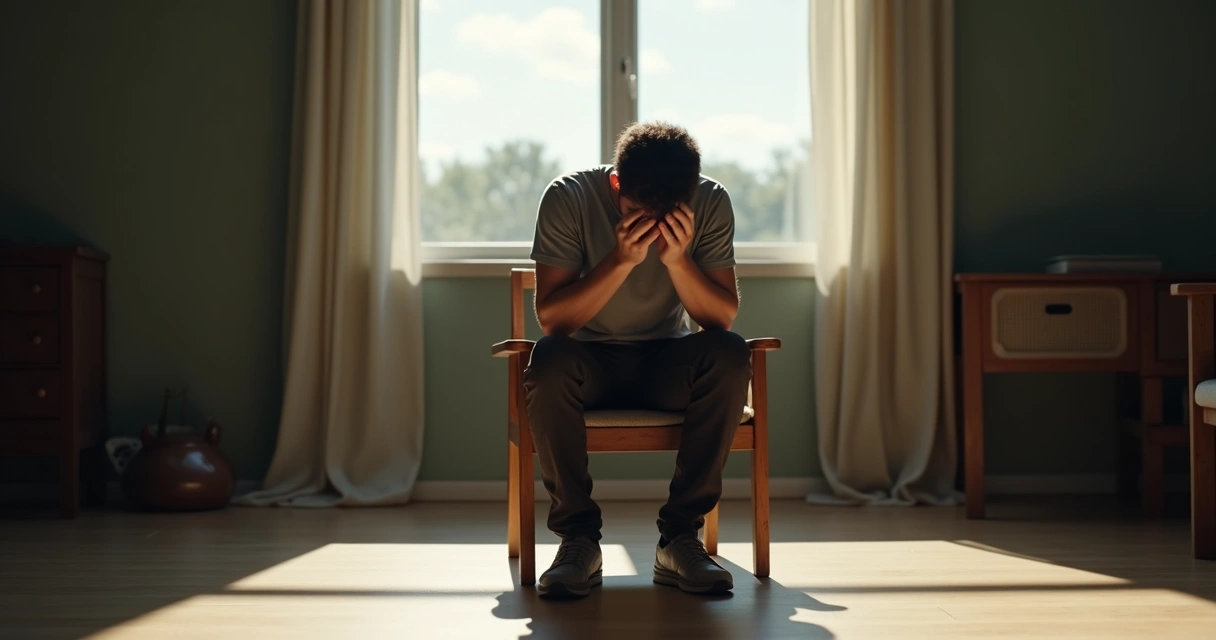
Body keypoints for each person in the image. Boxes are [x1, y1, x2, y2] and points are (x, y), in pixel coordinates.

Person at [525, 121, 751, 598]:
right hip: (585, 361)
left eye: (665, 214)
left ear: (688, 195)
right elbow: (553, 321)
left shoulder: (710, 201)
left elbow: (720, 318)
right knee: (548, 358)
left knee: (729, 353)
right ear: (615, 184)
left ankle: (680, 539)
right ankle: (578, 541)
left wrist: (677, 261)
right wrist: (621, 260)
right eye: (633, 211)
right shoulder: (568, 197)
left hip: (665, 361)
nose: (649, 223)